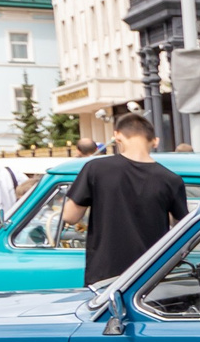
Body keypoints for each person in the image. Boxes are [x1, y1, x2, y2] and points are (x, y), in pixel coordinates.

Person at [64, 112, 188, 286]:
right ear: (155, 141)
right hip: (151, 275)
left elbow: (70, 216)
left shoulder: (96, 169)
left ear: (117, 136)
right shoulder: (171, 180)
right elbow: (181, 228)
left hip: (105, 275)